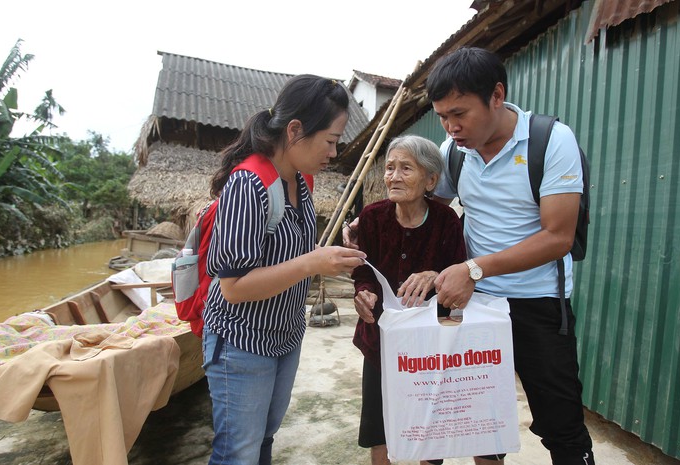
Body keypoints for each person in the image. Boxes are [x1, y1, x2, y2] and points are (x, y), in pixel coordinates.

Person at [345, 47, 595, 465]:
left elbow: (558, 237)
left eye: (459, 114)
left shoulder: (550, 141)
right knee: (456, 418)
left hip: (537, 303)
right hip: (468, 303)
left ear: (496, 95)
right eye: (443, 116)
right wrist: (369, 228)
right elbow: (423, 207)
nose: (450, 126)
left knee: (561, 425)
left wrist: (473, 268)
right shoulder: (455, 152)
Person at [204, 74, 367, 465]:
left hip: (284, 335)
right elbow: (234, 286)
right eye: (330, 140)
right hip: (242, 342)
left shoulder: (300, 182)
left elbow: (287, 252)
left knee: (262, 441)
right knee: (237, 453)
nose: (334, 151)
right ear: (295, 130)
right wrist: (313, 262)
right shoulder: (248, 185)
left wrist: (333, 253)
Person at [351, 135, 467, 465]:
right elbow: (363, 270)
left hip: (428, 348)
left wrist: (435, 275)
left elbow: (457, 280)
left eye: (406, 168)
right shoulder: (373, 217)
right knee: (380, 430)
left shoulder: (447, 223)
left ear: (431, 179)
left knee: (428, 430)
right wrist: (364, 292)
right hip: (381, 342)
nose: (394, 176)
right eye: (390, 168)